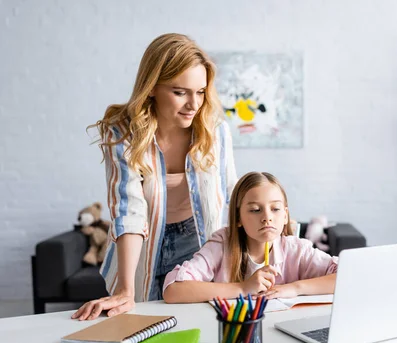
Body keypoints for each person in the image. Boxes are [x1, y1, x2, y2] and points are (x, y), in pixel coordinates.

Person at [72, 33, 237, 321]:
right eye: (180, 91)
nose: (193, 104)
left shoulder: (215, 129)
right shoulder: (122, 132)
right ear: (152, 88)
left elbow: (232, 192)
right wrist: (125, 289)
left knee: (196, 327)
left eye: (200, 92)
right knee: (142, 325)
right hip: (143, 246)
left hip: (198, 242)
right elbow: (129, 209)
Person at [162, 172, 337, 303]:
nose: (267, 217)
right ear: (238, 218)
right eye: (255, 210)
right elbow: (173, 290)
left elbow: (345, 277)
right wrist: (243, 288)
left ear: (285, 216)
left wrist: (294, 288)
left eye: (275, 209)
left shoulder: (296, 249)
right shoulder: (221, 245)